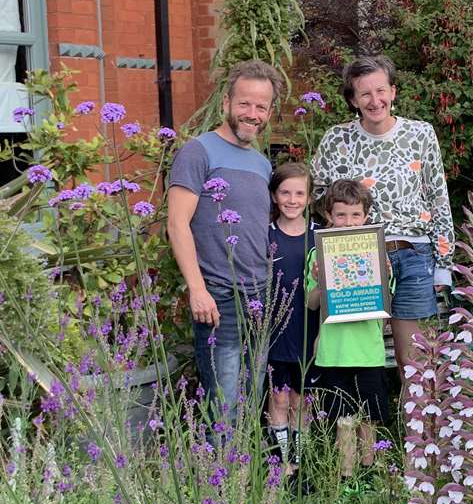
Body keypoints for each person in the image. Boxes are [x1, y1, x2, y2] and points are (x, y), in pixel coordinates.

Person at [311, 55, 454, 379]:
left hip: (413, 254)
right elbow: (316, 197)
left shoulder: (420, 134)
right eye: (365, 94)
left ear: (393, 91)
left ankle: (415, 429)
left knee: (413, 360)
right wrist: (331, 245)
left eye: (381, 91)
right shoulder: (337, 140)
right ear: (353, 100)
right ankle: (362, 424)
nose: (375, 101)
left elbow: (437, 195)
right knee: (358, 359)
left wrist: (444, 263)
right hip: (357, 257)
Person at [166, 60, 280, 415]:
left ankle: (246, 472)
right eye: (245, 103)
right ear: (226, 103)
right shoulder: (198, 152)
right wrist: (197, 290)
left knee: (252, 398)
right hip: (219, 295)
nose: (252, 113)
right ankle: (219, 471)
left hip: (259, 293)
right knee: (225, 404)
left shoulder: (262, 164)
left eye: (261, 106)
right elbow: (176, 224)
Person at [305, 179, 391, 477]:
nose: (348, 221)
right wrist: (319, 281)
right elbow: (312, 304)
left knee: (370, 419)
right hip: (334, 353)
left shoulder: (377, 252)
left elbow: (385, 301)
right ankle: (346, 477)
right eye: (341, 215)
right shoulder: (318, 254)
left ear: (366, 216)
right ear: (328, 215)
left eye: (356, 215)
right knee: (343, 419)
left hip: (369, 352)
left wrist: (383, 275)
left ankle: (369, 473)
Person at [265, 161, 315, 458]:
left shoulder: (321, 235)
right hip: (275, 333)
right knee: (279, 398)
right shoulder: (264, 235)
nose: (292, 200)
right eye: (285, 193)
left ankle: (302, 459)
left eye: (299, 194)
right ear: (274, 195)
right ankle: (283, 464)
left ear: (309, 198)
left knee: (303, 401)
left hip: (310, 331)